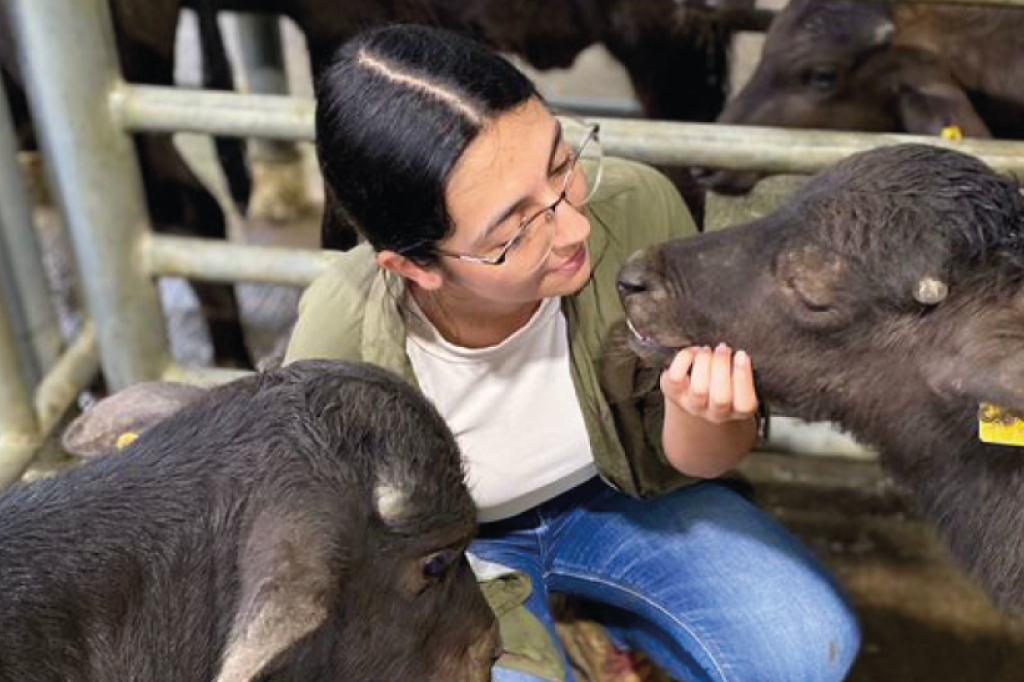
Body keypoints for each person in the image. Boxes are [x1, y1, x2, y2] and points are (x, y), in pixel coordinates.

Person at [286, 23, 860, 682]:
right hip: (456, 557)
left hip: (621, 498)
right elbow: (335, 557)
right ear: (415, 267)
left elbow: (696, 460)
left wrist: (705, 416)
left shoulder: (636, 205)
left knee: (809, 645)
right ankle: (572, 638)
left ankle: (606, 623)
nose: (574, 227)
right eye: (514, 231)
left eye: (562, 166)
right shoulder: (339, 331)